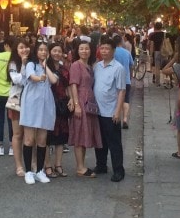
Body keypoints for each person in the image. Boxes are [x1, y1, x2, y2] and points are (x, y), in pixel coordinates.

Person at [20, 41, 57, 184]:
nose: (43, 52)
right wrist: (39, 77)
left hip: (45, 104)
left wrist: (46, 66)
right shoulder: (31, 64)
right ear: (36, 51)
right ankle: (28, 171)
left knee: (42, 140)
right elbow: (32, 77)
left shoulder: (49, 66)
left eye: (45, 50)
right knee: (29, 139)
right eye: (40, 50)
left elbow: (53, 80)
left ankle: (40, 170)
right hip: (31, 104)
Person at [93, 36, 127, 182]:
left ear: (113, 51)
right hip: (97, 110)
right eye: (102, 48)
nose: (104, 51)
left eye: (107, 48)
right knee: (100, 141)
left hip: (111, 111)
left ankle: (118, 170)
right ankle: (101, 165)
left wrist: (117, 111)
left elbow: (121, 91)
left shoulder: (118, 68)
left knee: (114, 142)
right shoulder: (97, 66)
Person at [68, 39, 101, 177]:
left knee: (85, 133)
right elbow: (73, 84)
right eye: (81, 49)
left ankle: (82, 165)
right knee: (79, 133)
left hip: (89, 101)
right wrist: (76, 104)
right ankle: (80, 167)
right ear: (77, 51)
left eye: (86, 48)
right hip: (81, 100)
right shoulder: (76, 65)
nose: (84, 51)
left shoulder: (89, 66)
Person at [44, 42, 70, 178]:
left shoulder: (64, 69)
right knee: (47, 136)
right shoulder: (43, 67)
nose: (57, 53)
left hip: (61, 104)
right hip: (47, 104)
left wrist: (71, 99)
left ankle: (58, 164)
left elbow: (68, 86)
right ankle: (47, 165)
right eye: (54, 51)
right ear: (49, 52)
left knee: (61, 136)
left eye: (59, 51)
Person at [6, 40, 29, 176]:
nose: (24, 50)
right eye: (21, 47)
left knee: (31, 135)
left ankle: (33, 163)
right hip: (16, 102)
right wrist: (24, 65)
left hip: (31, 101)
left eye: (26, 47)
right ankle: (19, 166)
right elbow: (18, 80)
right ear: (16, 49)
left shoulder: (33, 62)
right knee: (18, 134)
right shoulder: (13, 64)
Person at [112, 34, 134, 129]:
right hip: (126, 79)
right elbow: (131, 65)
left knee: (116, 99)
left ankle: (117, 117)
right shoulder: (127, 53)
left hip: (115, 80)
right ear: (121, 42)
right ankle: (125, 119)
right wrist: (130, 76)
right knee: (126, 100)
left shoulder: (112, 52)